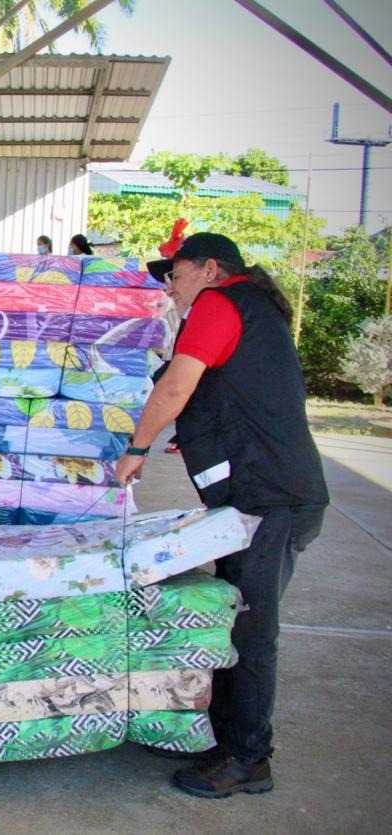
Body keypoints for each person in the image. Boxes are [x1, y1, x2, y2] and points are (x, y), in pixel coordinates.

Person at [114, 232, 328, 800]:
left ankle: (247, 758)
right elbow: (231, 391)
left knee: (252, 631)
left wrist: (136, 450)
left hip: (271, 498)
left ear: (210, 269)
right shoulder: (249, 307)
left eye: (177, 274)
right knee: (237, 618)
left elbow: (176, 387)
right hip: (264, 492)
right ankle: (227, 739)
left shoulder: (220, 303)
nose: (171, 286)